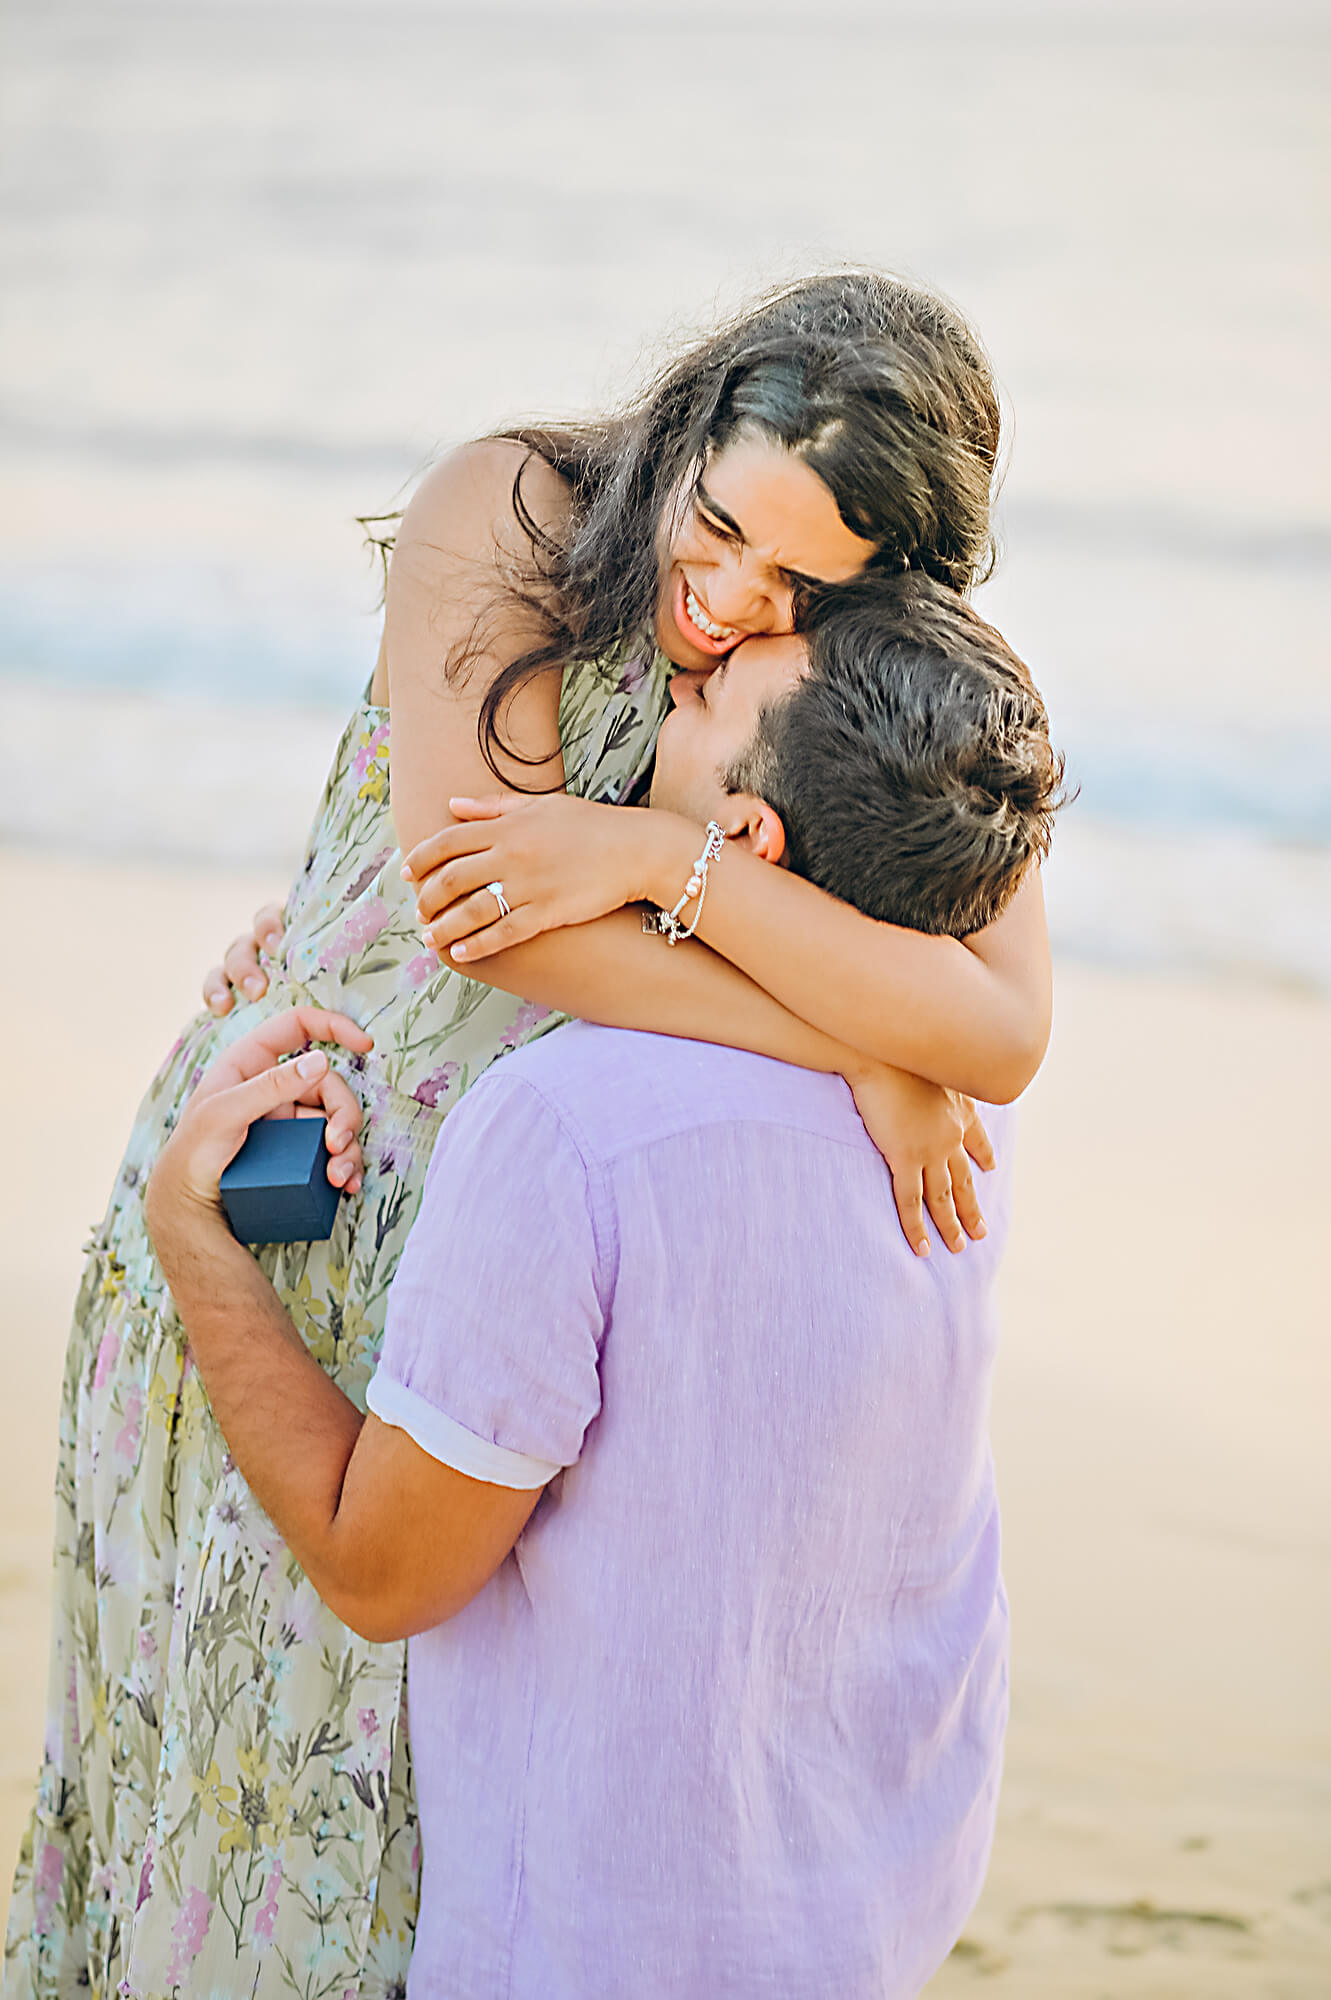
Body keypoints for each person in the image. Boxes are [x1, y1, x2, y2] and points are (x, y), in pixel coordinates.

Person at [5, 272, 1052, 2000]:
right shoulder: (511, 511)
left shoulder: (890, 675)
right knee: (225, 1850)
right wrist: (863, 1029)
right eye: (714, 527)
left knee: (432, 1864)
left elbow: (1001, 1029)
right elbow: (482, 916)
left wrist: (668, 865)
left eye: (801, 586)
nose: (727, 602)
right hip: (286, 1218)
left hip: (541, 1302)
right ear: (694, 424)